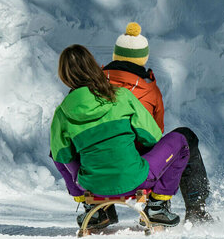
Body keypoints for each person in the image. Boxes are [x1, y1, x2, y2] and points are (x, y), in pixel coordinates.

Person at [50, 44, 188, 229]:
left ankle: (92, 209)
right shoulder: (121, 95)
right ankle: (157, 206)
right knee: (180, 141)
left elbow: (62, 156)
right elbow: (152, 137)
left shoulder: (62, 112)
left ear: (64, 75)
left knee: (56, 149)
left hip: (91, 186)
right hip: (135, 180)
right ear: (94, 66)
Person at [103, 22, 212, 223]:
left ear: (115, 55)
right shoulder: (148, 90)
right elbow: (154, 134)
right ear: (143, 58)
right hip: (136, 173)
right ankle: (195, 209)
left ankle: (103, 211)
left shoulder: (90, 86)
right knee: (185, 139)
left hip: (93, 173)